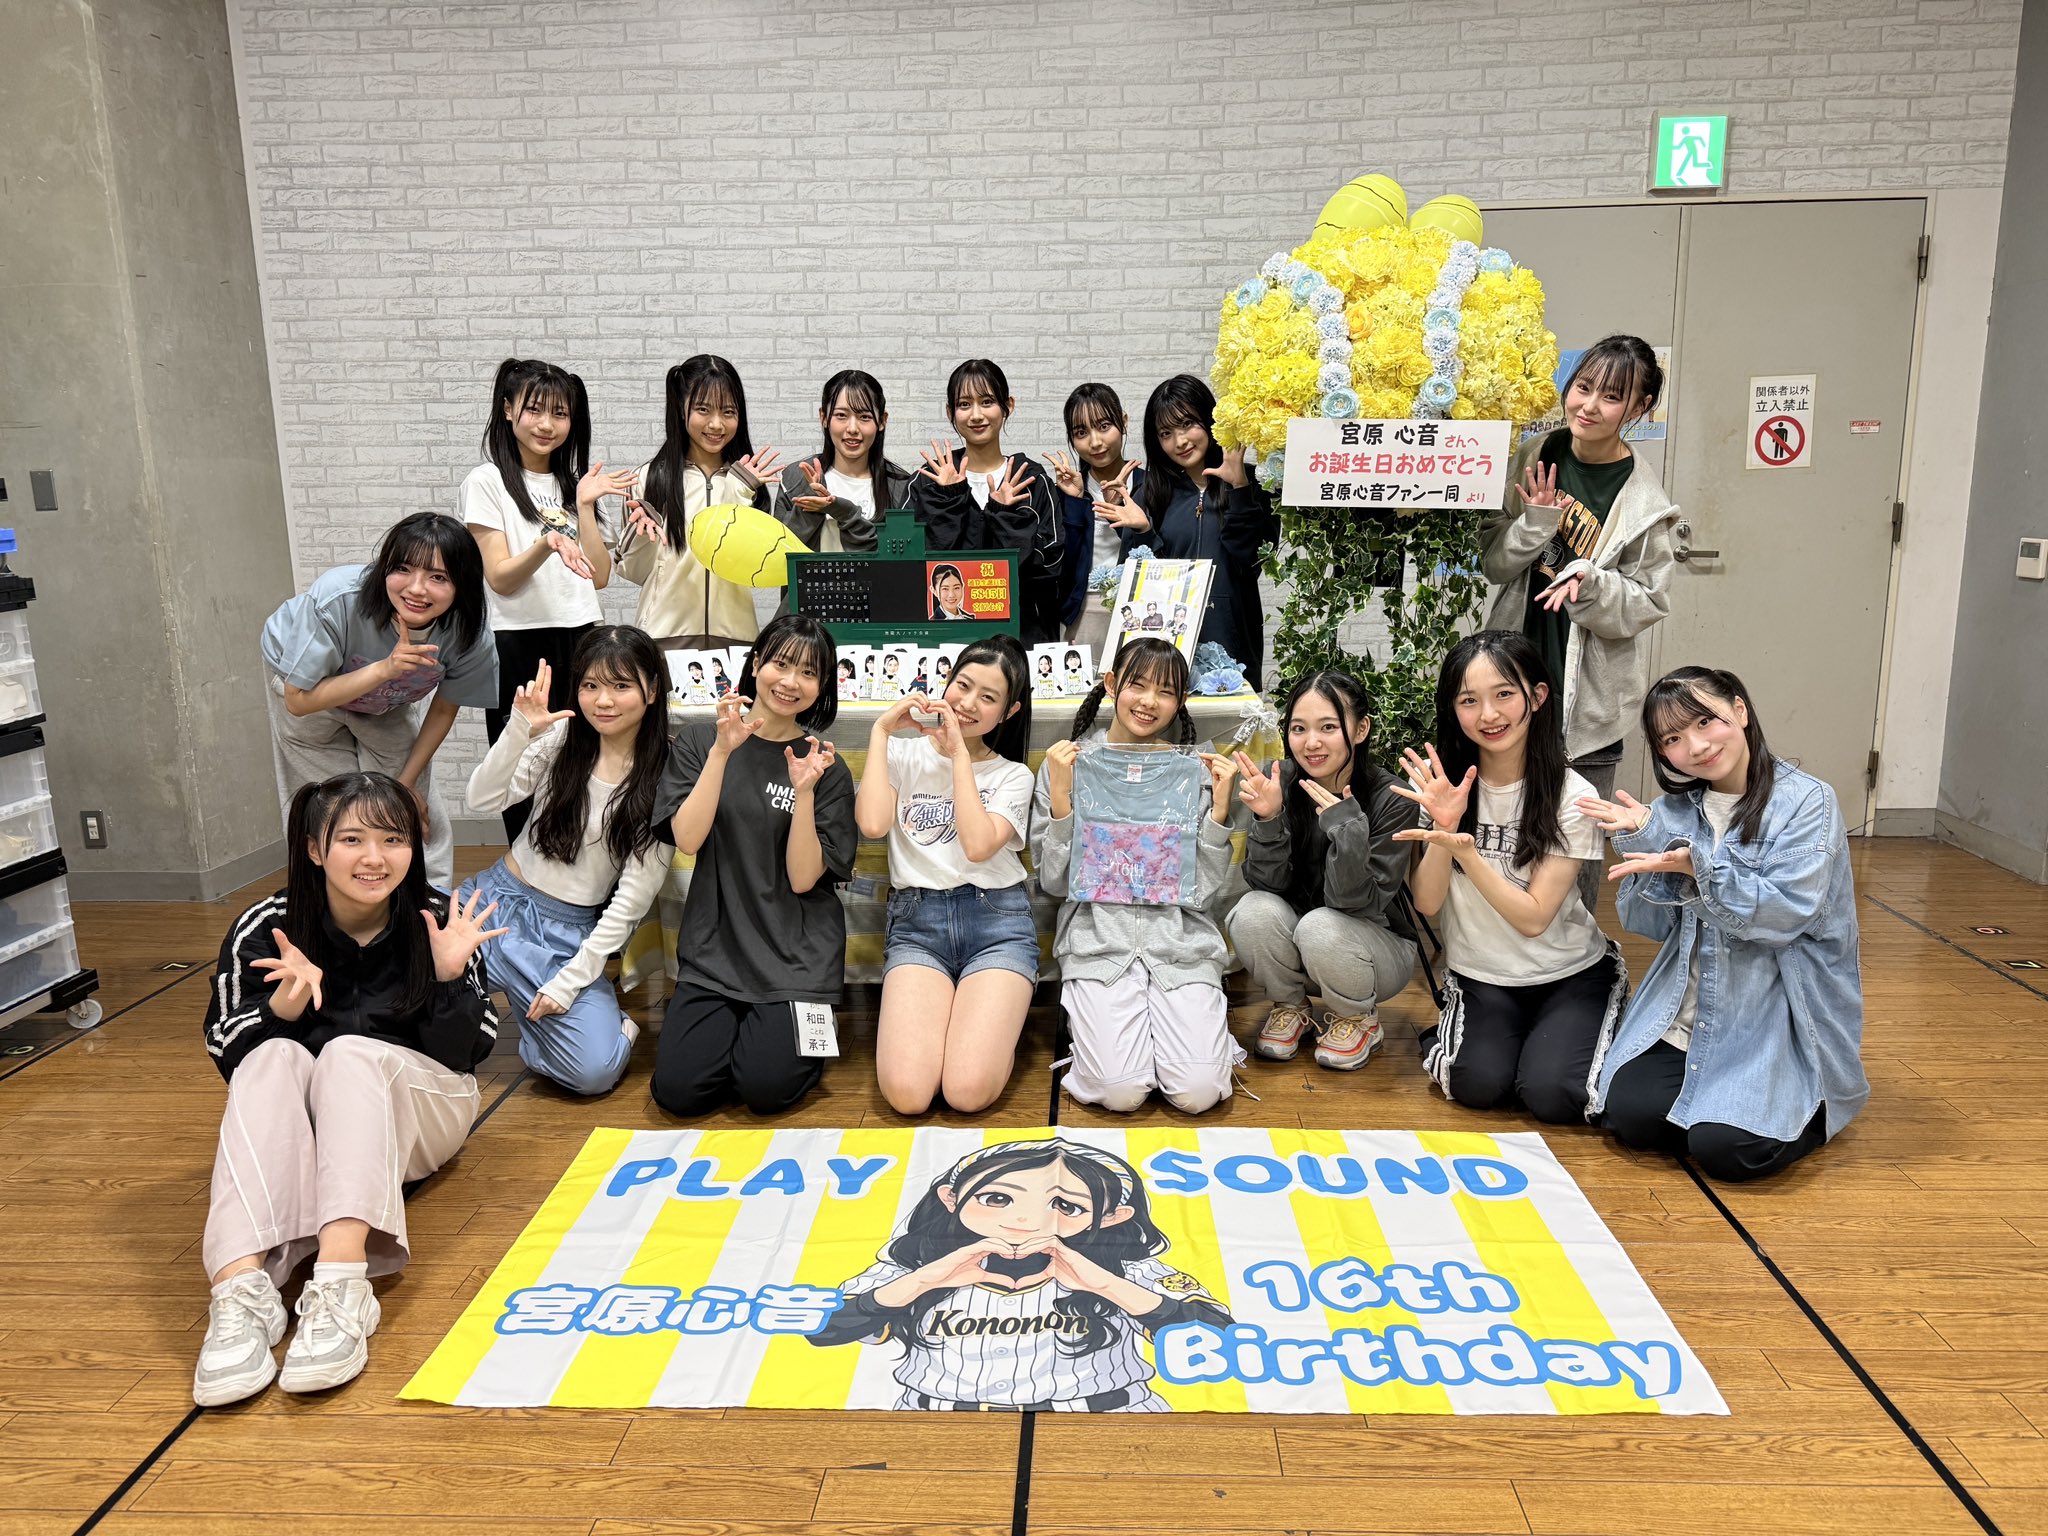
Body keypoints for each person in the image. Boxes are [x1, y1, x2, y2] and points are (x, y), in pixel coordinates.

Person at [194, 772, 504, 1405]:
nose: (375, 858)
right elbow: (229, 1054)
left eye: (393, 839)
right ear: (315, 848)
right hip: (312, 1134)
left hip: (423, 1115)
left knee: (349, 1053)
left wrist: (447, 979)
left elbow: (468, 1054)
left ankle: (341, 1284)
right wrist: (280, 1010)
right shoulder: (268, 927)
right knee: (272, 1055)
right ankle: (240, 1293)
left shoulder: (437, 919)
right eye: (353, 839)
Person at [1579, 667, 1869, 1181]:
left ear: (1739, 710)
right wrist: (1644, 841)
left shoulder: (1808, 801)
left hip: (1774, 1019)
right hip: (1691, 1015)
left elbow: (1785, 914)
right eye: (1672, 739)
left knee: (1727, 1150)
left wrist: (1701, 870)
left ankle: (1814, 1103)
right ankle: (1720, 1105)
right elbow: (1647, 924)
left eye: (1704, 721)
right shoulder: (1671, 810)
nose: (1696, 746)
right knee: (1632, 1119)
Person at [810, 1138, 1230, 1411]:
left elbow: (1223, 1340)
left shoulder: (1124, 1267)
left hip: (1111, 1416)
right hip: (931, 1419)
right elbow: (821, 1329)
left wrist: (1106, 1285)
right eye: (997, 1198)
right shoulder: (915, 1264)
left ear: (1112, 1216)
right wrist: (925, 1280)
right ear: (951, 1198)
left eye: (1065, 1206)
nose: (1025, 1220)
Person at [1479, 336, 1677, 910]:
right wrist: (1535, 524)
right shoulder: (1535, 455)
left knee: (1579, 836)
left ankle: (1580, 952)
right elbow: (1494, 562)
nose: (1588, 406)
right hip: (1514, 671)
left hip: (1590, 698)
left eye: (1610, 397)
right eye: (1583, 387)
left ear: (1639, 408)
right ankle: (1501, 944)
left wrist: (1591, 584)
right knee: (1503, 825)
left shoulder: (1645, 502)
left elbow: (1647, 602)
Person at [1395, 630, 1625, 1125]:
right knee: (1477, 1085)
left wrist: (1468, 852)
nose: (1488, 715)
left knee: (1553, 1095)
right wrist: (1443, 828)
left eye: (1503, 694)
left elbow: (1534, 919)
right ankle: (1503, 1041)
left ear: (1537, 697)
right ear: (1452, 709)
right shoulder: (1440, 785)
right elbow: (1428, 903)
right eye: (1468, 701)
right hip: (1483, 976)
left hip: (1568, 973)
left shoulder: (1573, 796)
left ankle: (1577, 1025)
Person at [648, 615, 856, 1116]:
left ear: (823, 685)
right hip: (716, 947)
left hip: (796, 953)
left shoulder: (824, 764)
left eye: (809, 672)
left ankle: (795, 1029)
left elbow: (804, 879)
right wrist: (722, 753)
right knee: (678, 1092)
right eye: (781, 664)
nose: (791, 682)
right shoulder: (702, 741)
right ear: (757, 663)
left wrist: (804, 793)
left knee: (766, 1089)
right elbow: (688, 839)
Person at [1031, 636, 1243, 1114]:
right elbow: (1053, 883)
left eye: (1166, 691)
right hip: (1098, 942)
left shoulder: (1195, 770)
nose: (1149, 701)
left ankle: (1179, 1042)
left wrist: (1218, 814)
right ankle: (1106, 1044)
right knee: (1119, 1091)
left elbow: (1204, 891)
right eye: (1138, 685)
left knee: (1199, 1091)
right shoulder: (1068, 764)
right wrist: (1062, 801)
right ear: (1111, 684)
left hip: (1181, 943)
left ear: (1181, 700)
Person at [460, 627, 671, 1096]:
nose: (603, 701)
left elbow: (632, 901)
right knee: (408, 984)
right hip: (493, 903)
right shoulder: (562, 737)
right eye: (591, 685)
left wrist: (568, 983)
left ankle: (592, 1026)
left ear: (653, 690)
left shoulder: (662, 777)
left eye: (621, 685)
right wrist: (518, 730)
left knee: (593, 1072)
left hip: (564, 934)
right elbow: (482, 799)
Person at [260, 512, 496, 891]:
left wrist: (405, 784)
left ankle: (427, 905)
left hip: (385, 703)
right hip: (311, 691)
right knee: (333, 807)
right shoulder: (338, 599)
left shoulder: (470, 633)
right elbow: (299, 701)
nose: (416, 589)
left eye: (438, 577)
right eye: (403, 569)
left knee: (414, 808)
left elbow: (444, 707)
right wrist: (386, 668)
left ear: (462, 584)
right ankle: (329, 904)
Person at [857, 637, 1036, 1115]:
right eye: (963, 685)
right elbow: (872, 824)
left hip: (997, 926)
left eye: (988, 697)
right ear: (947, 681)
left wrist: (959, 756)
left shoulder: (1014, 776)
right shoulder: (902, 754)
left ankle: (990, 1033)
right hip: (918, 926)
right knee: (908, 1095)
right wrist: (880, 731)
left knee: (966, 1092)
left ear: (1010, 711)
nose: (968, 703)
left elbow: (977, 846)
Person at [461, 357, 627, 844]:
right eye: (534, 409)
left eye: (560, 413)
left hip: (584, 637)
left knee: (584, 760)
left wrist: (585, 506)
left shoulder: (575, 485)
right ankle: (525, 869)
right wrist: (545, 544)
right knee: (522, 766)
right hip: (519, 643)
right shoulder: (487, 481)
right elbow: (500, 579)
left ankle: (579, 870)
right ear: (508, 410)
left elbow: (599, 576)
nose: (547, 424)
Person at [1227, 669, 1419, 1071]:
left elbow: (1355, 904)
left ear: (1361, 729)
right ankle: (1290, 1006)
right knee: (1251, 910)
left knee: (1321, 925)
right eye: (1299, 728)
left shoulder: (1392, 798)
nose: (1311, 742)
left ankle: (1358, 1018)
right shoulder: (1280, 781)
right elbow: (1265, 884)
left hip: (1373, 953)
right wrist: (1268, 818)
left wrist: (1347, 831)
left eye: (1328, 727)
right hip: (1302, 946)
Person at [1106, 375, 1279, 687]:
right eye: (1166, 433)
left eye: (1187, 424)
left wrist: (1240, 490)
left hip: (1233, 646)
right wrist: (1144, 531)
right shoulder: (1149, 495)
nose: (1180, 441)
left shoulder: (1254, 485)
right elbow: (1134, 590)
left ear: (1209, 419)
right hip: (1165, 654)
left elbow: (1251, 562)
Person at [616, 353, 785, 648]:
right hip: (664, 637)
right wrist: (641, 534)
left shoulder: (748, 482)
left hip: (736, 638)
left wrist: (738, 492)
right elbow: (634, 572)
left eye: (728, 412)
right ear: (681, 409)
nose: (716, 424)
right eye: (703, 409)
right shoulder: (648, 478)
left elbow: (748, 565)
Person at [907, 359, 1063, 642]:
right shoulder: (929, 480)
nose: (976, 415)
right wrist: (948, 501)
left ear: (1008, 406)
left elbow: (1050, 565)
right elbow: (910, 565)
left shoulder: (1031, 480)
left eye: (987, 402)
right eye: (964, 404)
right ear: (950, 412)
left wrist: (1005, 518)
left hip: (1019, 638)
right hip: (943, 642)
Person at [772, 369, 912, 555]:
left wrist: (843, 512)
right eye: (841, 415)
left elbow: (901, 560)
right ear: (823, 418)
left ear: (882, 421)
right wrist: (810, 504)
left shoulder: (902, 487)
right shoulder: (796, 477)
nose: (852, 428)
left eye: (864, 417)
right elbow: (779, 552)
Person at [1049, 383, 1134, 650]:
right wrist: (1075, 501)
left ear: (1123, 422)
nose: (1095, 442)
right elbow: (1061, 568)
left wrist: (1119, 515)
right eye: (1081, 432)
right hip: (1082, 610)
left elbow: (1162, 556)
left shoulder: (1151, 486)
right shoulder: (1065, 493)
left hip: (1138, 610)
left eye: (1104, 426)